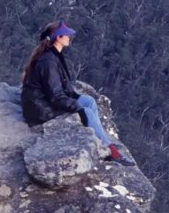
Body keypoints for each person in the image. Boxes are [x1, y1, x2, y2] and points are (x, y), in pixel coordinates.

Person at [20, 20, 132, 163]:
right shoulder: (48, 61)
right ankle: (110, 151)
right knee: (86, 111)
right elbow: (55, 96)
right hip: (40, 108)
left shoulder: (53, 55)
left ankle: (100, 138)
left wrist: (75, 98)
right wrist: (77, 107)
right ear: (58, 38)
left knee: (88, 101)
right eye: (66, 35)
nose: (69, 38)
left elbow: (58, 88)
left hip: (43, 100)